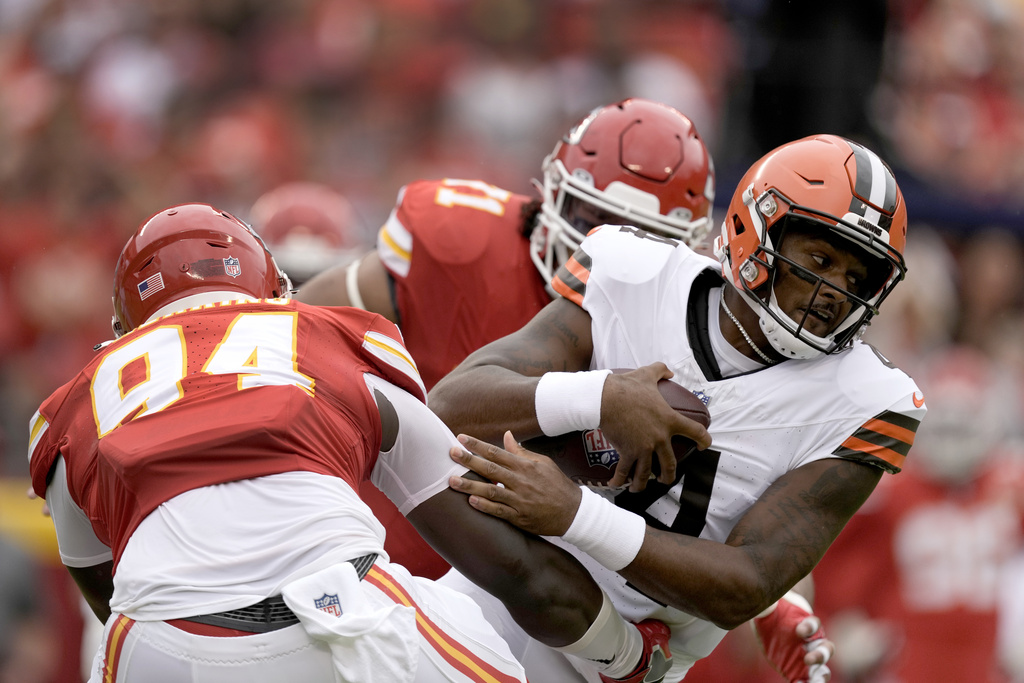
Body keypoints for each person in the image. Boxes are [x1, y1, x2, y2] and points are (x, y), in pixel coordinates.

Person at [26, 203, 674, 683]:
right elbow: (514, 568)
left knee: (118, 633)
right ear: (275, 289)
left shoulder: (67, 412)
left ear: (123, 328)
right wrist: (624, 652)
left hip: (159, 652)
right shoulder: (331, 338)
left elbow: (111, 594)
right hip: (338, 621)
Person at [426, 133, 925, 682]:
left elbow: (746, 581)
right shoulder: (632, 271)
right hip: (495, 592)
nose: (834, 291)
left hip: (615, 657)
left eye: (857, 277)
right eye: (821, 258)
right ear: (756, 229)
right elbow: (451, 403)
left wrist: (575, 514)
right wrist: (601, 395)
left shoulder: (867, 399)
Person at [298, 97, 717, 581]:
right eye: (590, 222)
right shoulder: (464, 245)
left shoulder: (690, 323)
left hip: (553, 600)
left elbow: (718, 503)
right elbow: (302, 330)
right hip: (376, 551)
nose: (604, 250)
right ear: (552, 194)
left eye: (640, 237)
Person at [812, 345, 1024, 683]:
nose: (952, 444)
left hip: (990, 663)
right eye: (944, 429)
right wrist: (842, 626)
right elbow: (828, 571)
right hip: (907, 663)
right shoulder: (889, 493)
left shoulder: (1009, 486)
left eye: (963, 429)